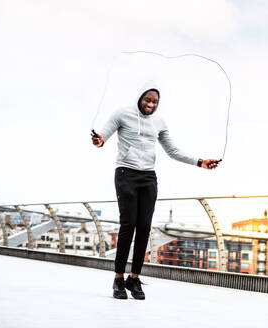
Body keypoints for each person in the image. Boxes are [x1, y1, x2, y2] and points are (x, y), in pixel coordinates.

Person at [91, 80, 219, 300]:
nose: (150, 104)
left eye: (154, 101)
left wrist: (200, 162)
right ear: (140, 97)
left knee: (144, 227)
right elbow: (102, 136)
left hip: (148, 177)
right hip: (126, 174)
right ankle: (118, 279)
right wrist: (99, 140)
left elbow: (173, 150)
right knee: (127, 225)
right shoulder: (122, 113)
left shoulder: (159, 122)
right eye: (147, 99)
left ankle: (134, 278)